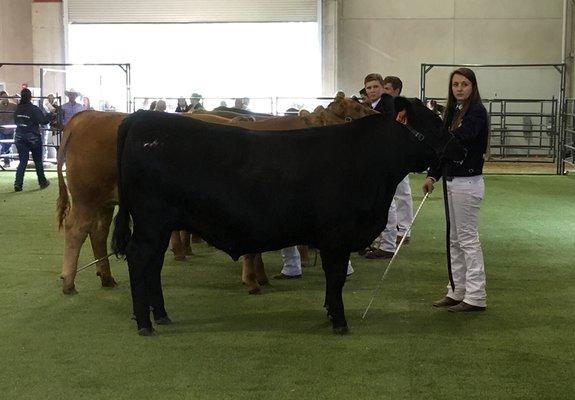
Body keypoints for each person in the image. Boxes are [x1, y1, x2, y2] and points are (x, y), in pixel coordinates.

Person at [423, 67, 488, 313]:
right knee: (454, 239)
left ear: (473, 87)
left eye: (464, 84)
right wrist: (433, 174)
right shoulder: (453, 112)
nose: (459, 89)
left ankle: (476, 296)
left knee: (468, 239)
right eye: (455, 85)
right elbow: (445, 147)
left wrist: (434, 137)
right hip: (452, 181)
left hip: (468, 182)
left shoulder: (477, 113)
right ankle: (457, 290)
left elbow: (455, 141)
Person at [362, 73, 397, 259]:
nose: (372, 90)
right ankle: (376, 241)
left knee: (387, 201)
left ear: (383, 87)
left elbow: (386, 128)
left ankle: (389, 245)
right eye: (369, 88)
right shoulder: (369, 105)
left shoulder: (388, 105)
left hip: (385, 158)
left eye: (375, 87)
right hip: (373, 159)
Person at [381, 76, 414, 245]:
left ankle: (405, 230)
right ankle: (391, 229)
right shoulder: (383, 107)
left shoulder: (404, 108)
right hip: (385, 154)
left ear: (396, 91)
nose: (383, 91)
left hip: (399, 154)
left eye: (387, 89)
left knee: (402, 192)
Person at [12, 88, 53, 191]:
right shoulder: (34, 108)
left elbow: (15, 121)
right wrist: (50, 115)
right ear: (30, 97)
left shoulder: (17, 109)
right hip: (33, 136)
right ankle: (42, 182)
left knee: (23, 161)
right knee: (38, 161)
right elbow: (43, 121)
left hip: (19, 136)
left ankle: (18, 184)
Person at [0, 91, 17, 168]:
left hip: (11, 129)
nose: (5, 98)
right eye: (3, 97)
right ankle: (7, 162)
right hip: (1, 129)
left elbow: (20, 108)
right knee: (4, 145)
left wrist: (16, 98)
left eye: (6, 96)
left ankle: (4, 156)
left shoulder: (13, 106)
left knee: (8, 145)